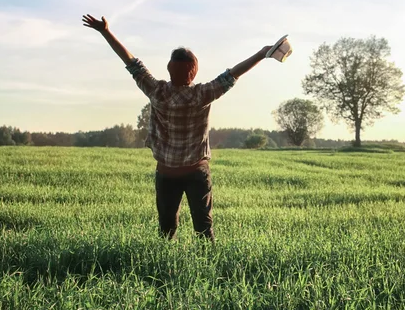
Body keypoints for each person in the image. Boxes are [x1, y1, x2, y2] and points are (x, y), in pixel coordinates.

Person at [82, 14, 274, 242]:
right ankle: (210, 271)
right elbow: (234, 73)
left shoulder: (157, 92)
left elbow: (131, 62)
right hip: (196, 173)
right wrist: (263, 53)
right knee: (204, 229)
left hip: (167, 174)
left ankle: (164, 270)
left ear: (168, 68)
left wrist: (106, 31)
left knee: (166, 230)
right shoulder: (202, 95)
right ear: (194, 72)